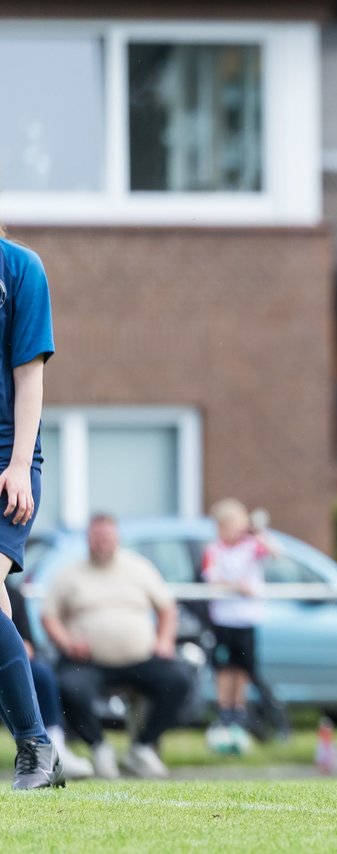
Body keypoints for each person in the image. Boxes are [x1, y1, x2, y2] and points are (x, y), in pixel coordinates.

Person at [41, 514, 193, 779]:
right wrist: (67, 642)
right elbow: (49, 616)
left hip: (141, 659)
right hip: (89, 661)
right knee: (68, 685)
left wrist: (164, 640)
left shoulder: (139, 567)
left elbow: (167, 609)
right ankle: (99, 746)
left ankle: (144, 746)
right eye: (96, 538)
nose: (101, 543)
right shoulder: (69, 573)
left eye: (107, 538)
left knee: (179, 678)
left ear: (117, 539)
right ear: (88, 540)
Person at [0, 228, 62, 789]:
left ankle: (37, 748)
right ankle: (37, 747)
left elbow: (29, 375)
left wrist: (20, 463)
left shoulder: (21, 269)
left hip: (5, 459)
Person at [202, 498, 274, 752]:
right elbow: (212, 581)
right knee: (224, 667)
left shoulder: (251, 546)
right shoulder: (214, 550)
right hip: (223, 619)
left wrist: (257, 532)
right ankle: (224, 711)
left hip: (246, 618)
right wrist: (237, 587)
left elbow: (276, 552)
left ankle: (239, 712)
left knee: (242, 669)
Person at [7, 582, 93, 779]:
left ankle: (52, 747)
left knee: (42, 675)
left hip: (5, 664)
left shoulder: (12, 594)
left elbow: (27, 646)